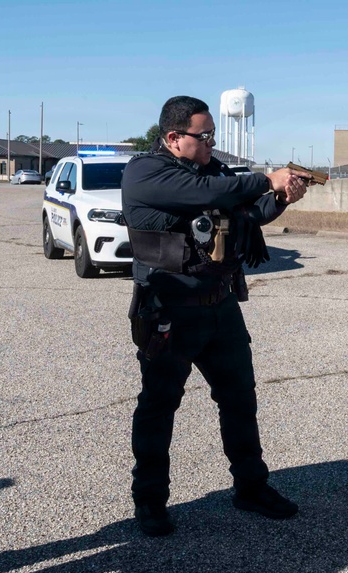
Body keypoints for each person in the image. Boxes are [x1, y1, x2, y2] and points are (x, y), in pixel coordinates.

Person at [121, 95, 310, 537]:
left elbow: (248, 213)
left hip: (220, 308)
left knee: (240, 399)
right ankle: (149, 500)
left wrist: (282, 197)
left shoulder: (213, 173)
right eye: (202, 136)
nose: (210, 144)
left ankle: (251, 486)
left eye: (212, 136)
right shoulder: (146, 172)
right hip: (169, 310)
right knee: (158, 407)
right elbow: (209, 195)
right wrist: (264, 178)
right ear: (173, 138)